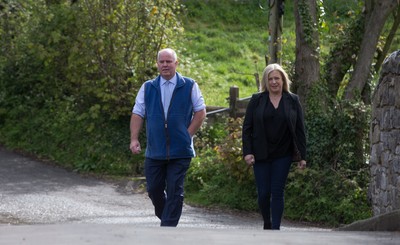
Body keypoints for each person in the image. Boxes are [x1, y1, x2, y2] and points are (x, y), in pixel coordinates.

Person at [129, 48, 206, 227]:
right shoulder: (148, 87)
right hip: (155, 150)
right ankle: (167, 219)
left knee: (174, 190)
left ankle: (167, 230)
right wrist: (134, 139)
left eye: (169, 61)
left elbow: (200, 112)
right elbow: (137, 113)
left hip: (181, 151)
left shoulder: (189, 85)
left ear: (176, 63)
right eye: (162, 62)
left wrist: (187, 135)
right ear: (157, 64)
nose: (165, 65)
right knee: (154, 190)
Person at [242, 63, 307, 230]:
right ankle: (267, 222)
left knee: (277, 191)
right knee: (264, 193)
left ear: (283, 80)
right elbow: (247, 128)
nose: (273, 82)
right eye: (270, 79)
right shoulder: (257, 100)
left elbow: (300, 129)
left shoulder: (292, 100)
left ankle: (275, 229)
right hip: (260, 153)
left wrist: (303, 156)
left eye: (277, 78)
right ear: (266, 81)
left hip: (283, 154)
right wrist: (247, 152)